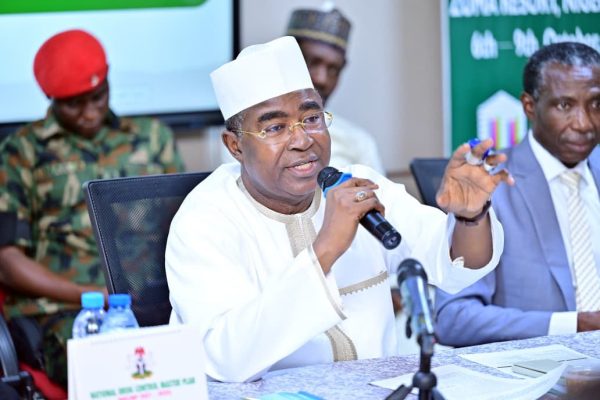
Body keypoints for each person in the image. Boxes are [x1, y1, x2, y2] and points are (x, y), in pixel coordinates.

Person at [165, 36, 513, 382]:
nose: (302, 140)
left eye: (311, 118)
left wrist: (471, 216)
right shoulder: (205, 219)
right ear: (236, 146)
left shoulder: (357, 186)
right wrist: (326, 249)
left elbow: (453, 266)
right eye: (275, 127)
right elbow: (227, 359)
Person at [0, 29, 185, 387]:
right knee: (116, 372)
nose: (89, 112)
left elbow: (186, 224)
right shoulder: (21, 152)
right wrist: (93, 297)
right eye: (74, 104)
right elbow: (7, 263)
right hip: (66, 311)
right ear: (51, 98)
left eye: (98, 97)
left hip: (154, 300)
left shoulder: (152, 138)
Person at [434, 42, 600, 347]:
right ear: (529, 106)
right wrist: (575, 325)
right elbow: (453, 317)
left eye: (596, 104)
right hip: (540, 371)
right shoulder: (490, 186)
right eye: (565, 106)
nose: (584, 123)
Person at [285, 5, 385, 173]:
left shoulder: (359, 143)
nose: (321, 79)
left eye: (333, 69)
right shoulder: (253, 136)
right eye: (312, 63)